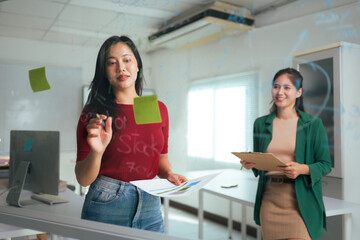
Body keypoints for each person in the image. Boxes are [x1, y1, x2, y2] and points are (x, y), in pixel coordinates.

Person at [75, 35, 187, 233]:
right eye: (112, 63)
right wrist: (96, 152)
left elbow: (161, 158)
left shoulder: (155, 108)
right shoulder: (95, 112)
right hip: (106, 203)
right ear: (105, 71)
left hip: (150, 202)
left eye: (127, 60)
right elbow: (84, 179)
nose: (121, 68)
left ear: (137, 66)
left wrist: (169, 174)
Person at [240, 68, 331, 240]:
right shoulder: (260, 124)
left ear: (299, 92)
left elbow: (325, 164)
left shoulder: (313, 124)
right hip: (270, 199)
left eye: (286, 87)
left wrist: (302, 169)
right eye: (276, 86)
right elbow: (260, 168)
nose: (280, 92)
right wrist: (251, 163)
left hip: (300, 202)